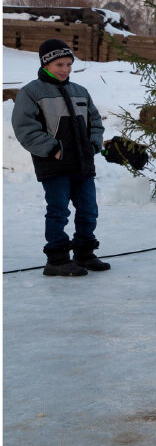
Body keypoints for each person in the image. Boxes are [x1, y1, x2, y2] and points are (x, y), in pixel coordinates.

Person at [12, 39, 111, 276]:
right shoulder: (31, 93)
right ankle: (56, 259)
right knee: (58, 210)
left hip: (82, 163)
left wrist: (94, 143)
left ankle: (84, 253)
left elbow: (95, 121)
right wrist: (53, 149)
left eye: (68, 64)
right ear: (46, 64)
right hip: (54, 164)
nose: (65, 69)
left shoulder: (80, 92)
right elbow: (25, 128)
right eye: (59, 64)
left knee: (89, 209)